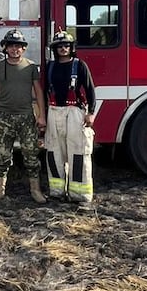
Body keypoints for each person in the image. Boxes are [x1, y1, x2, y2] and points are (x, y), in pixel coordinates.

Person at [0, 28, 47, 203]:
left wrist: (41, 115)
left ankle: (35, 189)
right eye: (11, 46)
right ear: (5, 48)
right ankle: (0, 188)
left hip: (26, 117)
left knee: (31, 154)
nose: (14, 49)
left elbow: (38, 92)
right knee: (3, 154)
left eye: (18, 46)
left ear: (24, 48)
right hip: (4, 117)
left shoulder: (31, 67)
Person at [45, 30, 96, 203]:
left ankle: (79, 194)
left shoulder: (79, 65)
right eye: (59, 46)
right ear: (55, 49)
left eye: (66, 45)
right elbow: (43, 91)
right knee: (54, 151)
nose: (63, 48)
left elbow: (90, 89)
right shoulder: (50, 66)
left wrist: (91, 113)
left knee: (78, 152)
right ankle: (57, 191)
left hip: (75, 112)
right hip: (54, 111)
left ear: (71, 47)